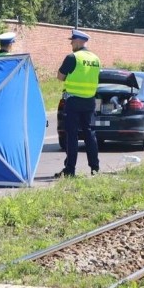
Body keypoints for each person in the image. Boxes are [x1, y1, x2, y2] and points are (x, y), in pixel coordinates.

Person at [55, 29, 101, 178]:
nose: (71, 44)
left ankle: (70, 169)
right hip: (90, 101)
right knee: (90, 134)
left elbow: (60, 77)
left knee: (72, 135)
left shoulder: (72, 57)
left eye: (73, 41)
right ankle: (95, 168)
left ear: (80, 41)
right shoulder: (96, 59)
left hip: (74, 101)